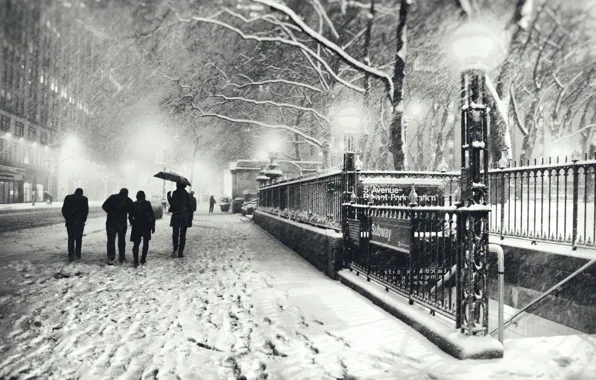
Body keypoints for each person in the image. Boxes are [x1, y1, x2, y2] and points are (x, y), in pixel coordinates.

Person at [102, 188, 134, 265]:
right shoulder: (128, 200)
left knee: (111, 240)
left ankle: (111, 256)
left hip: (111, 222)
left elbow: (104, 206)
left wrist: (111, 212)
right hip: (122, 223)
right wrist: (131, 222)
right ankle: (121, 256)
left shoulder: (112, 197)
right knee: (121, 240)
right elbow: (131, 212)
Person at [61, 188, 89, 262]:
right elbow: (86, 211)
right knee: (79, 238)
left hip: (70, 222)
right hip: (79, 222)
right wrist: (83, 219)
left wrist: (67, 218)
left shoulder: (68, 198)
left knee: (71, 238)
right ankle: (78, 253)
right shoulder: (84, 199)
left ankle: (71, 254)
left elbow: (64, 210)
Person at [130, 191, 156, 267]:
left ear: (137, 196)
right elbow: (151, 215)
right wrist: (153, 226)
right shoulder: (147, 203)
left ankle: (135, 260)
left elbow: (130, 216)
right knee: (146, 242)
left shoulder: (134, 204)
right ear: (144, 196)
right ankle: (143, 259)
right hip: (146, 225)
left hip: (137, 225)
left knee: (136, 244)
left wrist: (132, 223)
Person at [167, 182, 192, 258]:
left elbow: (173, 203)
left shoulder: (175, 193)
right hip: (184, 216)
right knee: (183, 235)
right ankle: (181, 251)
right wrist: (190, 220)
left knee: (175, 234)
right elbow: (190, 207)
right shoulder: (187, 195)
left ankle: (175, 249)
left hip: (176, 215)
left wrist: (168, 197)